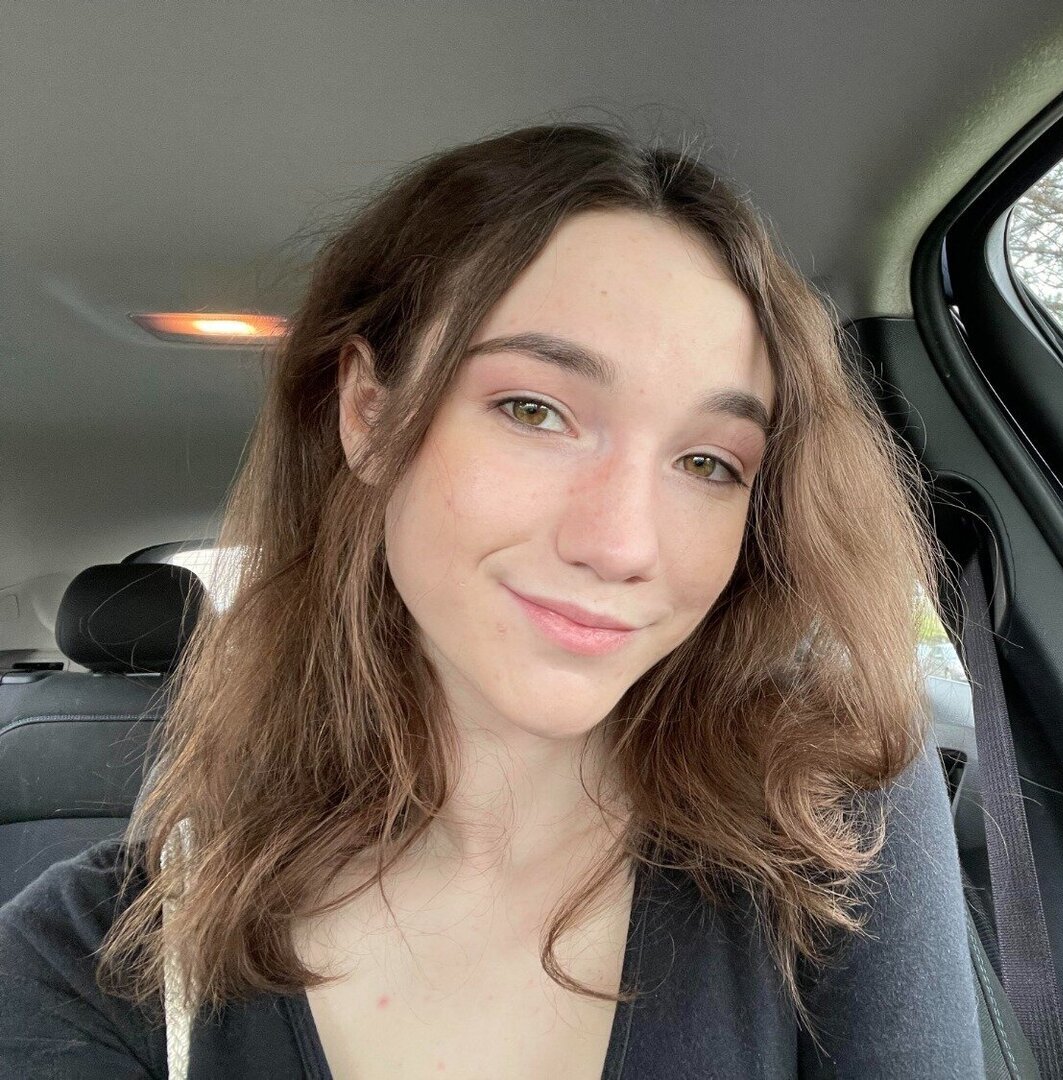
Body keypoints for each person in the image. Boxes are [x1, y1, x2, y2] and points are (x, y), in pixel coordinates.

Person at [0, 120, 986, 1079]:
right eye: (535, 410)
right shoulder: (87, 962)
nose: (622, 546)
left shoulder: (828, 815)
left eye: (708, 463)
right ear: (369, 414)